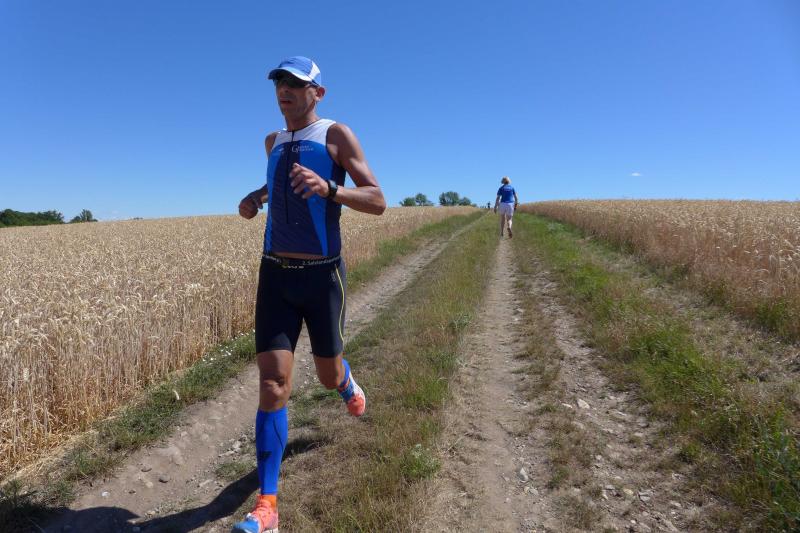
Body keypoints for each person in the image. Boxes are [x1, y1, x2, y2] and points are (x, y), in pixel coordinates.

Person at [234, 56, 386, 533]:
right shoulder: (272, 141)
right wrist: (256, 198)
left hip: (322, 279)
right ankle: (268, 506)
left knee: (325, 375)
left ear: (318, 93)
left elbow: (377, 200)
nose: (284, 90)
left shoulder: (336, 135)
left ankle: (345, 383)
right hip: (275, 276)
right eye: (279, 83)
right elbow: (277, 181)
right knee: (272, 384)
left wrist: (330, 189)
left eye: (296, 84)